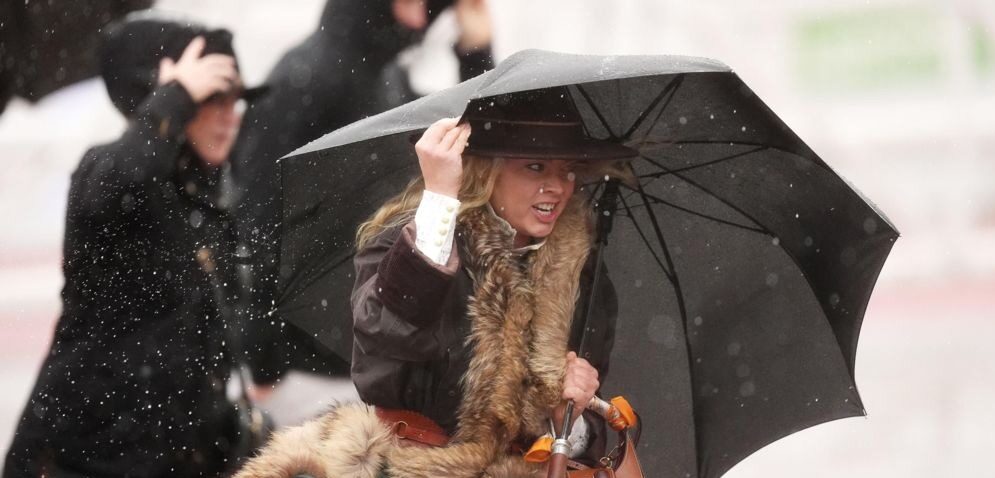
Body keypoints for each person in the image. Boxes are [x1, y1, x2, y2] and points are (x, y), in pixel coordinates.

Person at [233, 89, 636, 477]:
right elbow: (382, 340)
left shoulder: (585, 281)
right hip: (406, 466)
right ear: (485, 168)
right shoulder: (420, 240)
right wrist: (441, 197)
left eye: (568, 171)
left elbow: (590, 437)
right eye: (535, 167)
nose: (558, 186)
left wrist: (572, 418)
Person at [3, 16, 263, 477]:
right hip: (81, 459)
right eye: (213, 98)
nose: (231, 115)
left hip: (169, 459)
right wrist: (174, 97)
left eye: (236, 99)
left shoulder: (205, 202)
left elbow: (201, 352)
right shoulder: (105, 171)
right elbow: (122, 182)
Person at [232, 0, 495, 396]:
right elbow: (258, 217)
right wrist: (262, 359)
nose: (421, 15)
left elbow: (463, 141)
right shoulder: (310, 76)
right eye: (412, 2)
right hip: (303, 367)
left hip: (368, 350)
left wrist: (475, 53)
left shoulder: (386, 74)